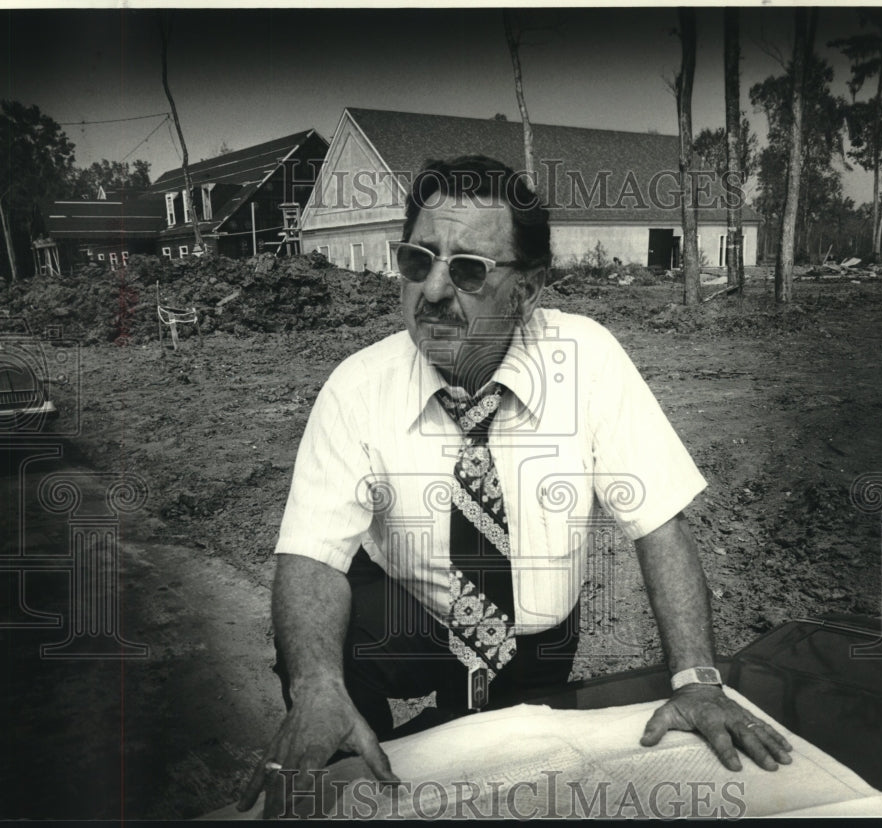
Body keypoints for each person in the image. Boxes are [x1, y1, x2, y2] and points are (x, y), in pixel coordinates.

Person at [239, 155, 791, 818]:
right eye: (419, 260)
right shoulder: (357, 389)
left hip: (534, 636)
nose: (434, 291)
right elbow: (310, 553)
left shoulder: (587, 360)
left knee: (512, 776)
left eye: (468, 270)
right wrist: (317, 685)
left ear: (527, 290)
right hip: (407, 616)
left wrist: (698, 681)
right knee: (351, 739)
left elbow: (659, 524)